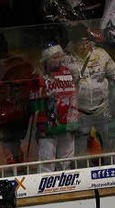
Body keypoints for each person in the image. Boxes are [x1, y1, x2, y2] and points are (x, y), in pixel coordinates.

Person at [0, 33, 37, 164]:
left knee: (9, 142)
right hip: (24, 109)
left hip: (10, 110)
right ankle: (18, 167)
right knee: (13, 143)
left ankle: (16, 169)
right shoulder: (18, 61)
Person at [71, 28, 115, 159]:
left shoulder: (101, 54)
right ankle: (81, 175)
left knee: (109, 143)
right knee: (80, 150)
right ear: (73, 43)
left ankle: (113, 171)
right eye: (80, 43)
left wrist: (114, 103)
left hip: (103, 108)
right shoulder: (67, 59)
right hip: (80, 111)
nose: (83, 46)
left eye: (86, 42)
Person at [32, 42, 80, 172]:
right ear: (46, 60)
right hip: (48, 126)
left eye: (60, 57)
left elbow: (74, 94)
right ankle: (47, 189)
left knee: (66, 162)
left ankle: (67, 188)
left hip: (68, 123)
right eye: (55, 57)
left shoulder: (67, 71)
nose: (59, 60)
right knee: (47, 162)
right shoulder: (39, 75)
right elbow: (34, 102)